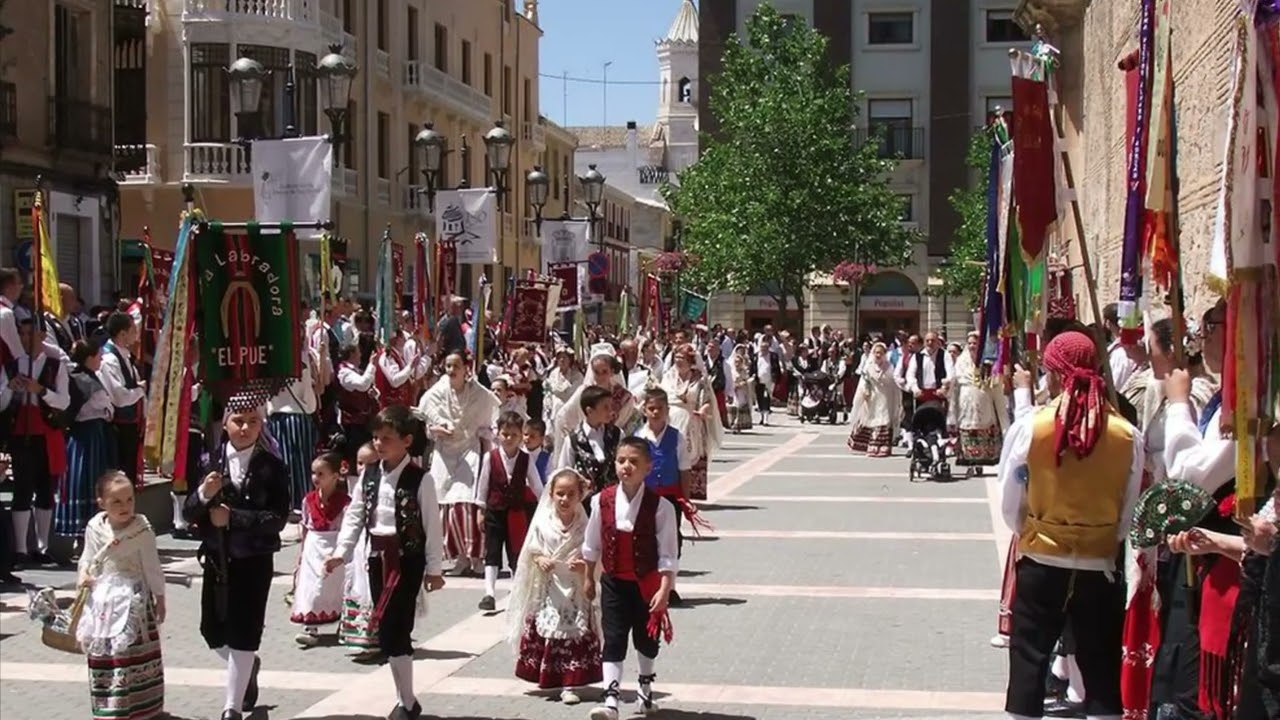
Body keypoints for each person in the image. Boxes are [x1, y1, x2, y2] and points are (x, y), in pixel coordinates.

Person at [998, 330, 1143, 720]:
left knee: (1029, 657)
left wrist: (1032, 529)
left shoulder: (1033, 426)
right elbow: (1128, 508)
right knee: (1100, 662)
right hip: (1099, 564)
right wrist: (1103, 539)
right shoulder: (1127, 434)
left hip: (1043, 556)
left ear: (1056, 375)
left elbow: (1010, 499)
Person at [328, 405, 447, 720]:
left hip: (407, 560)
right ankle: (405, 699)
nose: (379, 444)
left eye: (387, 438)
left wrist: (434, 569)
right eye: (376, 438)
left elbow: (432, 527)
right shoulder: (369, 474)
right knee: (386, 631)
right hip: (375, 556)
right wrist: (342, 551)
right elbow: (355, 515)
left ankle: (406, 702)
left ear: (407, 441)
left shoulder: (421, 480)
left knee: (398, 628)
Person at [183, 399, 292, 720]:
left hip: (254, 559)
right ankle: (247, 666)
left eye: (253, 421)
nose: (245, 428)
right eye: (238, 421)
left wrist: (235, 518)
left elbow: (278, 518)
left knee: (244, 631)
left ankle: (231, 707)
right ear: (226, 423)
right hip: (218, 559)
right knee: (212, 631)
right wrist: (203, 494)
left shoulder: (272, 466)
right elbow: (189, 512)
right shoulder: (208, 462)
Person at [582, 437, 678, 720]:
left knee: (646, 639)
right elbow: (592, 543)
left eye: (634, 462)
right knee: (613, 638)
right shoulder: (602, 500)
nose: (627, 466)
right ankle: (610, 699)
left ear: (648, 467)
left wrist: (664, 590)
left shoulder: (661, 507)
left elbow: (668, 553)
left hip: (646, 583)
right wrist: (589, 577)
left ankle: (645, 694)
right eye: (622, 460)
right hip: (613, 581)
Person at [75, 471, 166, 720]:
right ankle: (108, 708)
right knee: (105, 655)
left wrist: (160, 596)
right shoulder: (95, 527)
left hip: (133, 601)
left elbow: (152, 565)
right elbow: (88, 556)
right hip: (103, 601)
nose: (125, 506)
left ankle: (140, 708)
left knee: (130, 655)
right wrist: (84, 574)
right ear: (101, 502)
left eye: (129, 500)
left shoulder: (141, 529)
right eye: (116, 501)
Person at [507, 468, 603, 704]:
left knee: (574, 631)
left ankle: (571, 682)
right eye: (560, 493)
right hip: (550, 587)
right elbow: (532, 551)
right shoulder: (543, 524)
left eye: (571, 494)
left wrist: (584, 568)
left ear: (579, 495)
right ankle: (551, 677)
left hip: (575, 589)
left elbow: (595, 556)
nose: (565, 499)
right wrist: (541, 560)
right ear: (551, 494)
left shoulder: (585, 525)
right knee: (550, 628)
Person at [418, 351, 500, 577]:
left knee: (466, 504)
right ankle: (459, 557)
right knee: (445, 507)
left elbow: (492, 420)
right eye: (447, 366)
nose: (451, 371)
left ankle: (476, 556)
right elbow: (425, 422)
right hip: (444, 453)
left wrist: (486, 435)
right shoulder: (436, 393)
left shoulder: (479, 395)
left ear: (467, 368)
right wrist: (435, 430)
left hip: (469, 451)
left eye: (456, 366)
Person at [1, 316, 70, 566]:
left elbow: (64, 401)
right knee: (22, 489)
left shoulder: (55, 364)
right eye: (23, 334)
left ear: (42, 336)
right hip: (21, 433)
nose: (27, 339)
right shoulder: (12, 365)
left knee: (45, 490)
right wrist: (10, 387)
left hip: (47, 432)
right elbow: (1, 403)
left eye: (32, 334)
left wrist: (40, 390)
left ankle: (42, 546)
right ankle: (20, 549)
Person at [474, 411, 544, 611]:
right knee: (493, 551)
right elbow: (483, 484)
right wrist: (481, 509)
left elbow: (536, 485)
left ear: (521, 435)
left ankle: (517, 590)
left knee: (516, 551)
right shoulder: (491, 457)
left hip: (516, 512)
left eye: (513, 434)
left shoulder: (526, 458)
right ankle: (489, 593)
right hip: (495, 510)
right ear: (498, 434)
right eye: (505, 434)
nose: (509, 438)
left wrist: (544, 506)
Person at [55, 339, 117, 547]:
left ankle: (86, 534)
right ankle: (82, 531)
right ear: (89, 358)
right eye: (98, 355)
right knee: (85, 481)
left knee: (87, 479)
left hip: (87, 437)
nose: (101, 359)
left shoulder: (85, 378)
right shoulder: (86, 382)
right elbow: (107, 409)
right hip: (86, 438)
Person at [290, 450, 351, 646]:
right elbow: (306, 526)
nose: (316, 478)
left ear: (335, 475)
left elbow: (349, 528)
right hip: (313, 548)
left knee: (336, 585)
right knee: (311, 586)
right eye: (313, 473)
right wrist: (302, 553)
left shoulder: (345, 503)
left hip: (336, 545)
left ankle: (344, 622)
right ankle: (310, 627)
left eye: (321, 474)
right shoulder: (308, 500)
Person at [338, 442, 381, 660]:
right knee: (356, 586)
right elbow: (353, 516)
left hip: (374, 545)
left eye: (369, 463)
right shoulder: (356, 484)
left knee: (371, 590)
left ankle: (373, 639)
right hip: (358, 546)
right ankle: (357, 637)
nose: (363, 467)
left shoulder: (381, 482)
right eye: (360, 463)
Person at [99, 312, 145, 487]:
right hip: (119, 425)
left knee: (130, 472)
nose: (136, 334)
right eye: (133, 330)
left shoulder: (125, 357)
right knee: (120, 475)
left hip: (131, 424)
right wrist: (140, 389)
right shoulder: (110, 360)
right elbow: (119, 397)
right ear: (122, 334)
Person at [557, 385, 622, 508]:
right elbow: (564, 471)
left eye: (610, 406)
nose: (610, 411)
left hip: (613, 502)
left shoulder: (617, 434)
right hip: (585, 505)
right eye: (605, 407)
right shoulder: (573, 440)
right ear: (589, 411)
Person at [847, 343, 902, 457]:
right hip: (872, 397)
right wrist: (865, 392)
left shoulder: (889, 367)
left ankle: (883, 446)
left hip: (886, 397)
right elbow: (864, 381)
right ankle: (870, 445)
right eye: (876, 352)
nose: (878, 355)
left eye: (881, 353)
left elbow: (894, 382)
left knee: (884, 419)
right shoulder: (868, 367)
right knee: (871, 419)